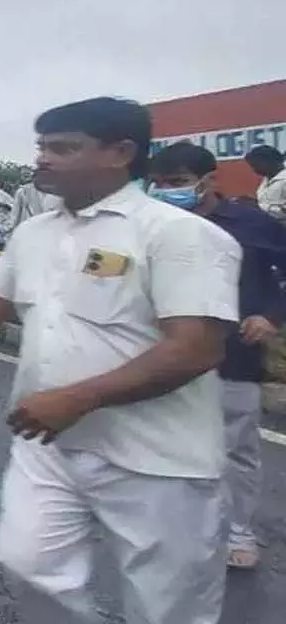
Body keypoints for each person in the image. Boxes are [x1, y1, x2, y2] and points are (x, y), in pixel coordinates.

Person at [0, 97, 241, 624]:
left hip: (157, 459)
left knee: (167, 606)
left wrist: (78, 398)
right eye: (42, 146)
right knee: (29, 565)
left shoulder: (180, 235)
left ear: (120, 152)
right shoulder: (35, 232)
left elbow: (197, 346)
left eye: (63, 148)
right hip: (50, 445)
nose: (44, 158)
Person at [148, 141, 285, 570]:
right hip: (162, 352)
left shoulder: (251, 223)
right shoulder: (153, 224)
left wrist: (270, 316)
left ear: (209, 180)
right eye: (159, 183)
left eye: (179, 182)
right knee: (165, 442)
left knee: (235, 447)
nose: (167, 190)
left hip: (232, 353)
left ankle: (238, 532)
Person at [244, 145, 285, 220]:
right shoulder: (267, 178)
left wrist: (258, 206)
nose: (254, 169)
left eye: (255, 165)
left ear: (269, 161)